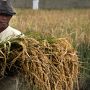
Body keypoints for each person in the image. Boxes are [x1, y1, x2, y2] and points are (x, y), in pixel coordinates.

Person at [0, 0, 23, 90]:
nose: (3, 18)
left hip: (8, 79)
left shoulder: (17, 36)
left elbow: (23, 60)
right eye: (0, 14)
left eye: (7, 15)